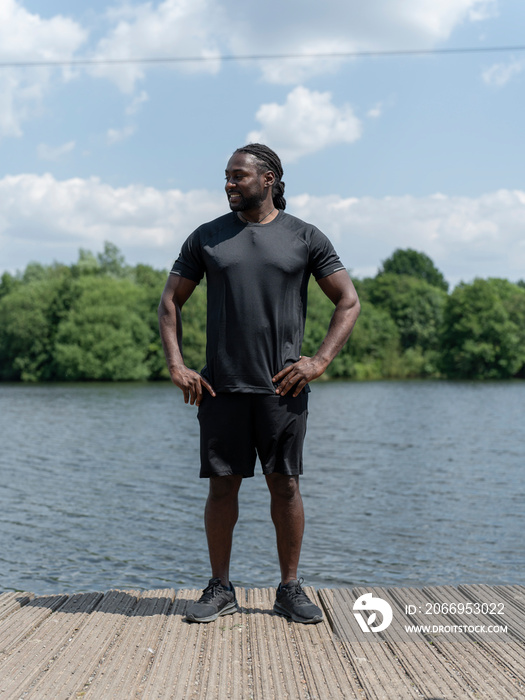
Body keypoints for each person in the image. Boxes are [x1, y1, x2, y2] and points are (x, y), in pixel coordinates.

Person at [158, 143, 360, 624]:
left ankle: (289, 588)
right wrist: (176, 365)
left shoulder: (305, 237)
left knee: (285, 485)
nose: (228, 183)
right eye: (226, 176)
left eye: (238, 176)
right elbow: (170, 302)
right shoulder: (206, 238)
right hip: (221, 388)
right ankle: (220, 587)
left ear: (268, 179)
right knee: (221, 489)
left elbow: (347, 301)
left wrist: (319, 361)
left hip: (282, 389)